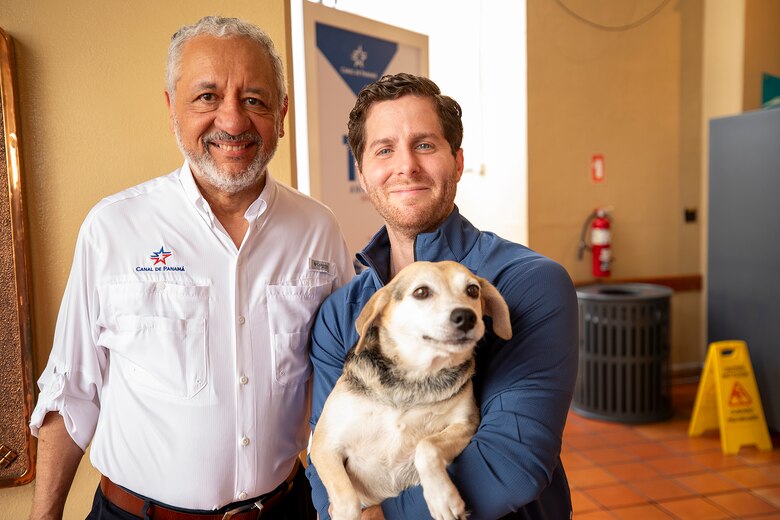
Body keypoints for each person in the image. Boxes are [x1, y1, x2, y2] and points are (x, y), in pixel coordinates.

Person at [29, 16, 353, 520]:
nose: (232, 121)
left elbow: (343, 387)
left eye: (255, 99)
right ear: (171, 109)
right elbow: (71, 392)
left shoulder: (319, 230)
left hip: (287, 510)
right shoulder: (113, 228)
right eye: (207, 97)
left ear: (282, 113)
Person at [305, 72, 579, 519]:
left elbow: (511, 466)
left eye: (426, 145)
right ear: (363, 171)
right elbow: (325, 466)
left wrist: (379, 517)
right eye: (384, 149)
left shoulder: (531, 283)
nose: (406, 165)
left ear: (457, 161)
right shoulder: (342, 313)